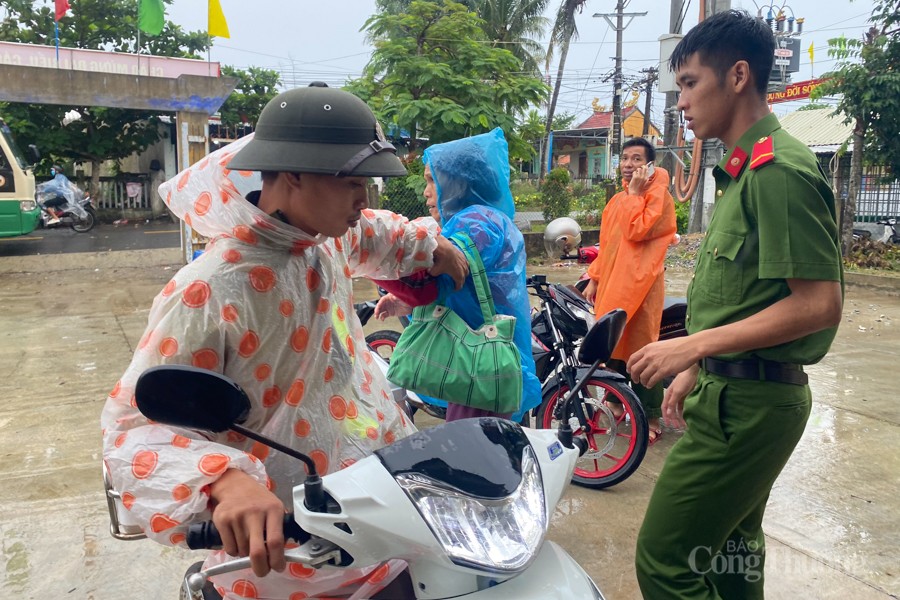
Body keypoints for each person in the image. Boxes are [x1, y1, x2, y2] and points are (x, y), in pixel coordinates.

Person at [101, 83, 468, 600]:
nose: (364, 198)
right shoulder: (209, 290)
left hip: (380, 511)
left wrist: (432, 245)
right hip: (291, 547)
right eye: (350, 181)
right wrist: (225, 482)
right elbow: (134, 432)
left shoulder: (324, 241)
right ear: (292, 174)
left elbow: (378, 235)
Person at [626, 11, 843, 599]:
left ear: (739, 75)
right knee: (725, 556)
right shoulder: (742, 172)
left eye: (691, 83)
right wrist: (699, 365)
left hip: (749, 408)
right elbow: (748, 300)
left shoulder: (778, 171)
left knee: (666, 562)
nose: (681, 102)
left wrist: (691, 345)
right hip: (734, 391)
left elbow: (819, 304)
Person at [373, 128, 542, 422]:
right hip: (480, 360)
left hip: (479, 368)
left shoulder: (477, 222)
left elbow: (435, 271)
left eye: (432, 180)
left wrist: (375, 253)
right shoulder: (486, 218)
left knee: (476, 454)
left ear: (457, 183)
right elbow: (463, 287)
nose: (426, 191)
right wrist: (409, 303)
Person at [580, 137, 676, 445]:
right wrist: (594, 277)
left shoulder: (658, 195)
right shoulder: (617, 200)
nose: (628, 165)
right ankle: (616, 403)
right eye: (625, 159)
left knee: (641, 347)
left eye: (636, 159)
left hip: (642, 285)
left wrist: (635, 193)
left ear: (650, 165)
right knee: (613, 344)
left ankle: (649, 415)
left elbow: (639, 231)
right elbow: (607, 245)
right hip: (614, 282)